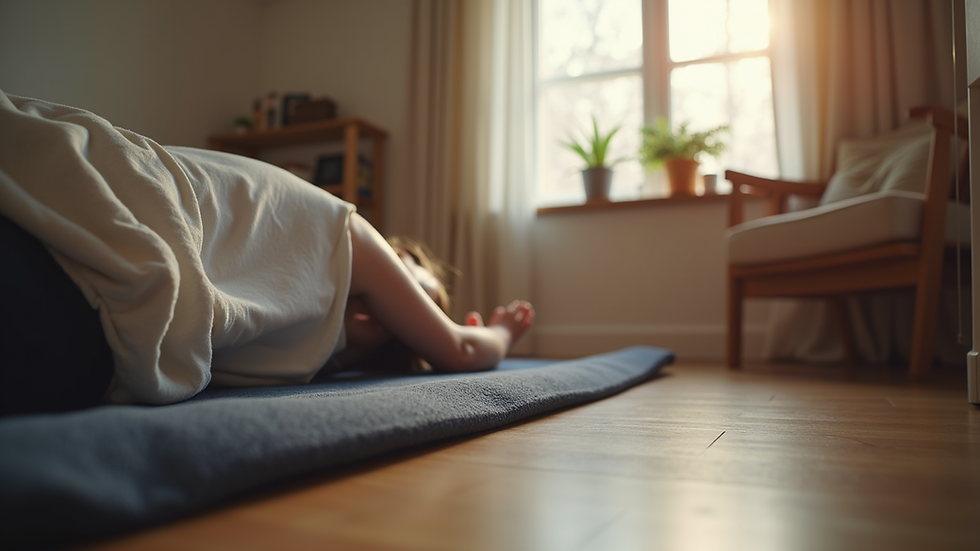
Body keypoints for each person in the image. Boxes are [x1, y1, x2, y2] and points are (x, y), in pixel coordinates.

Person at [0, 91, 534, 415]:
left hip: (95, 304)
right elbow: (459, 350)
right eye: (414, 286)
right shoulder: (351, 235)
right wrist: (502, 332)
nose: (408, 307)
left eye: (414, 318)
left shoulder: (302, 350)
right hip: (108, 209)